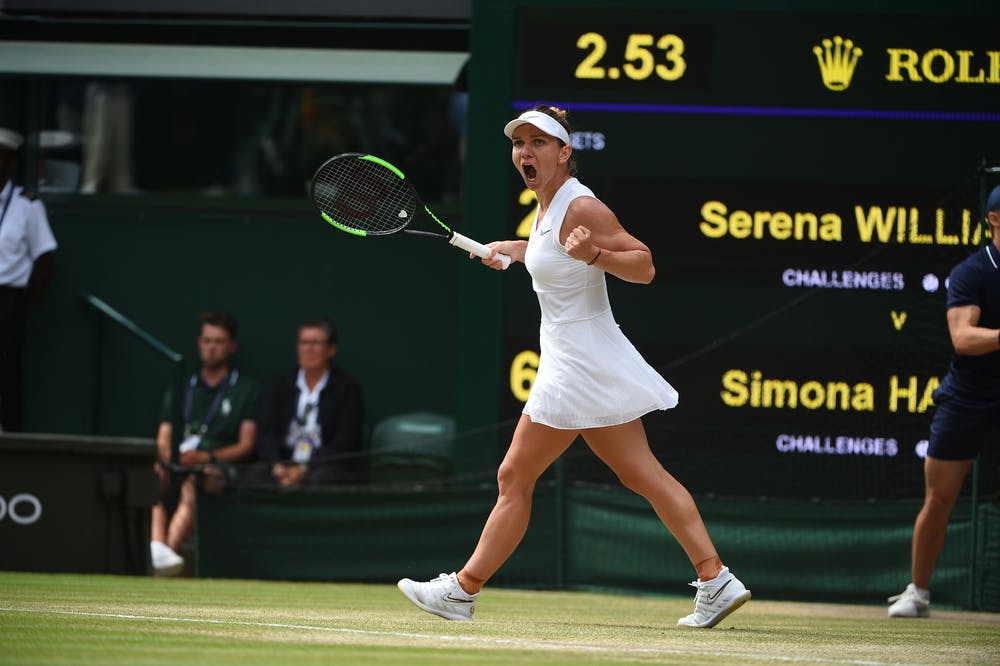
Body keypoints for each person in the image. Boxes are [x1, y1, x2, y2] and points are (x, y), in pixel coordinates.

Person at [397, 106, 751, 628]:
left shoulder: (582, 205)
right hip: (585, 356)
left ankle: (462, 590)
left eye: (539, 143)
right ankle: (716, 579)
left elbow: (645, 265)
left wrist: (595, 257)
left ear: (564, 153)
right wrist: (511, 251)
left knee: (515, 474)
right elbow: (553, 254)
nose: (525, 152)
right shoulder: (547, 205)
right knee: (643, 474)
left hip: (576, 361)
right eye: (519, 144)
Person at [888, 185, 1000, 618]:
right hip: (969, 395)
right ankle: (918, 593)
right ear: (993, 219)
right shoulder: (972, 272)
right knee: (940, 498)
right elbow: (963, 338)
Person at [150, 311, 260, 575]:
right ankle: (157, 547)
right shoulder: (181, 385)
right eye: (207, 340)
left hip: (213, 466)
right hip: (177, 460)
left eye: (219, 342)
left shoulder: (246, 389)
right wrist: (173, 457)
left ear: (232, 347)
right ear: (199, 343)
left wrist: (205, 457)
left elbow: (246, 445)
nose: (211, 348)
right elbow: (163, 437)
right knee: (151, 476)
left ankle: (167, 553)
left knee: (196, 479)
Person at [247, 317, 366, 488]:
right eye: (304, 343)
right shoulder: (281, 384)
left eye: (316, 343)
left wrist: (304, 468)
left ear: (331, 349)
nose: (308, 349)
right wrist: (278, 466)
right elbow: (267, 435)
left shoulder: (347, 388)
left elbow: (346, 441)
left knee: (322, 479)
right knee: (256, 475)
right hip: (284, 461)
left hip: (324, 463)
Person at [0, 127, 57, 432]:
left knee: (7, 374)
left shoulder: (27, 206)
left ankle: (10, 438)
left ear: (8, 162)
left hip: (8, 299)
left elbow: (45, 260)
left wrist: (23, 308)